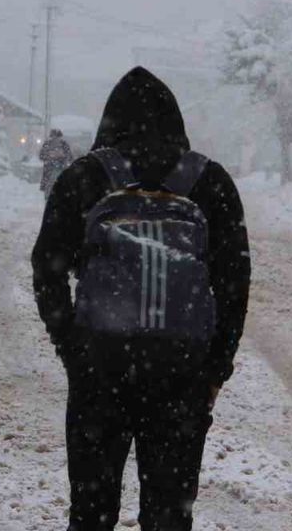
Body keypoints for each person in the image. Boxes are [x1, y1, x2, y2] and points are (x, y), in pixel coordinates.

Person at [31, 67, 251, 531]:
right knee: (169, 516)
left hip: (100, 370)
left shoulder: (84, 177)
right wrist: (214, 371)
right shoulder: (209, 181)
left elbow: (47, 267)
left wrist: (73, 349)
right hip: (181, 376)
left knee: (90, 513)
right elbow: (235, 284)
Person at [39, 128, 74, 195]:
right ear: (51, 137)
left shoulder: (64, 144)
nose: (55, 139)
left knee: (61, 186)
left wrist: (63, 156)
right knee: (49, 187)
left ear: (60, 137)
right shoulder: (47, 144)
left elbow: (70, 157)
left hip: (61, 168)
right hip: (49, 169)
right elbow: (41, 156)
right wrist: (49, 156)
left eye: (57, 137)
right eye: (53, 137)